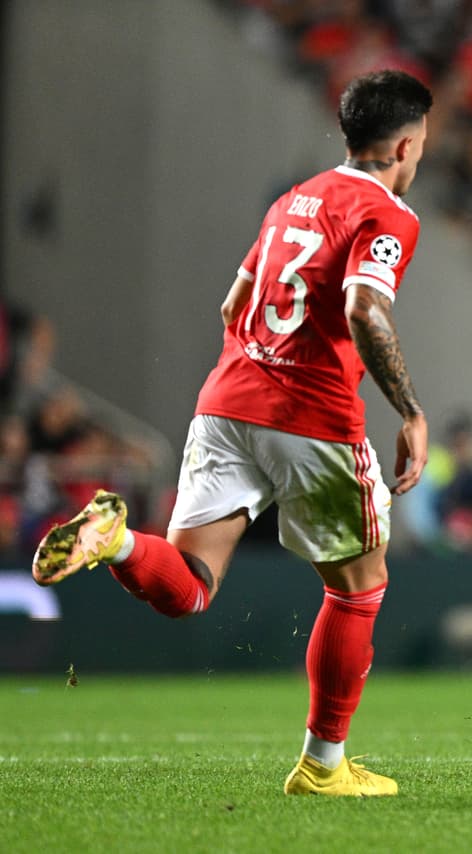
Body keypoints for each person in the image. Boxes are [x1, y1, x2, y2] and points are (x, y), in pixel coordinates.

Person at [30, 70, 435, 797]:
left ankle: (112, 539)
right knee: (359, 588)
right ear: (406, 144)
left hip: (226, 402)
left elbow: (232, 305)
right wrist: (409, 409)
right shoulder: (388, 214)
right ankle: (323, 765)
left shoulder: (292, 200)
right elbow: (367, 311)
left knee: (188, 586)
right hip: (311, 417)